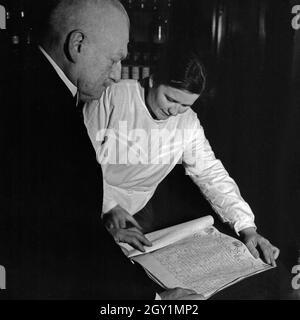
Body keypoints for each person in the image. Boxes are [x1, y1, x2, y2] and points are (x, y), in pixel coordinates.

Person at [0, 0, 197, 300]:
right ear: (77, 44)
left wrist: (93, 225)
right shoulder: (47, 111)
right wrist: (155, 301)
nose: (118, 74)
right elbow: (66, 249)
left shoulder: (28, 78)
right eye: (113, 59)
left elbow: (51, 217)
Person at [84, 48, 280, 266]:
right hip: (86, 194)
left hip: (136, 209)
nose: (174, 111)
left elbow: (210, 174)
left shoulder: (188, 123)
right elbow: (78, 158)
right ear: (153, 80)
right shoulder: (114, 95)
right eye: (170, 98)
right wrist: (108, 205)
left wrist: (247, 227)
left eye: (185, 105)